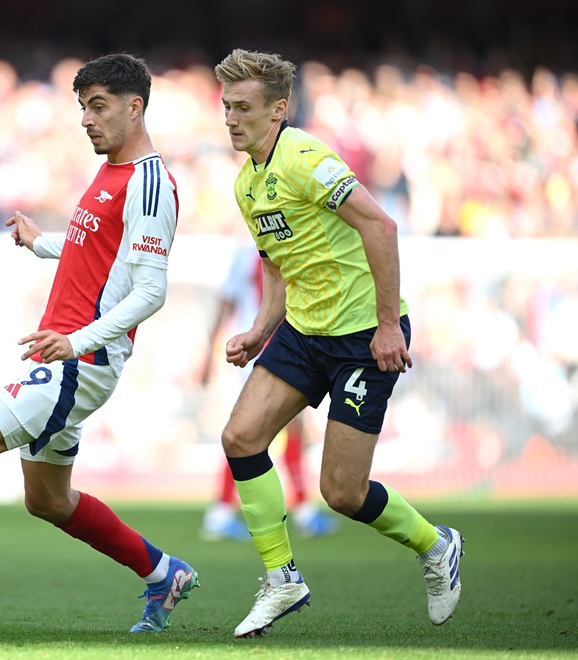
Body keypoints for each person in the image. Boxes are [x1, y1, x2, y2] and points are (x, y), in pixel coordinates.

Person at [0, 53, 198, 640]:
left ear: (135, 106)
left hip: (79, 362)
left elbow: (150, 292)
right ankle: (161, 571)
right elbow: (100, 257)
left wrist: (76, 343)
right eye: (82, 108)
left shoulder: (150, 181)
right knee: (48, 501)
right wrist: (40, 242)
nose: (86, 120)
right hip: (67, 356)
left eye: (98, 107)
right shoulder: (110, 175)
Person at [212, 49, 464, 638]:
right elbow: (278, 266)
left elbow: (380, 226)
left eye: (243, 108)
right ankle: (282, 579)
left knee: (341, 493)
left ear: (278, 110)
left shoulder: (306, 159)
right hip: (304, 331)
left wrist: (385, 325)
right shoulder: (246, 182)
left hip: (360, 337)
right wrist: (258, 330)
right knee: (241, 436)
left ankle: (437, 544)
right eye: (226, 107)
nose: (230, 119)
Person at [200, 243, 337, 541]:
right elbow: (226, 302)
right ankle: (223, 511)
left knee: (273, 429)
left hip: (286, 349)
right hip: (262, 350)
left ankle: (299, 508)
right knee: (247, 432)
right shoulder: (246, 254)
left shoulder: (287, 242)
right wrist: (207, 356)